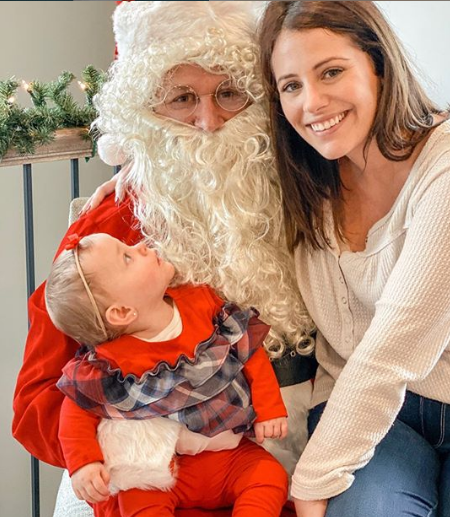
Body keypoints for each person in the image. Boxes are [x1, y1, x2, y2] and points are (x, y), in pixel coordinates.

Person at [13, 2, 316, 517]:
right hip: (158, 481)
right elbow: (37, 406)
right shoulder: (106, 230)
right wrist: (169, 439)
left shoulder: (305, 192)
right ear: (145, 110)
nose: (208, 122)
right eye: (182, 98)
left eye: (229, 92)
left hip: (299, 465)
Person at [258, 1, 450, 516]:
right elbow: (197, 163)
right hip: (358, 409)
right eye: (291, 85)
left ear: (379, 67)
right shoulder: (302, 177)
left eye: (332, 72)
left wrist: (313, 478)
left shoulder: (444, 168)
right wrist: (127, 183)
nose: (312, 103)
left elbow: (398, 342)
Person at [45, 232, 289, 516]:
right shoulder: (110, 362)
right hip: (161, 470)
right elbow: (75, 411)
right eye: (127, 256)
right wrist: (84, 464)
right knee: (136, 502)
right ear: (122, 312)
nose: (142, 246)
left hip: (230, 456)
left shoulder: (200, 301)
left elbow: (247, 351)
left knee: (270, 476)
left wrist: (269, 408)